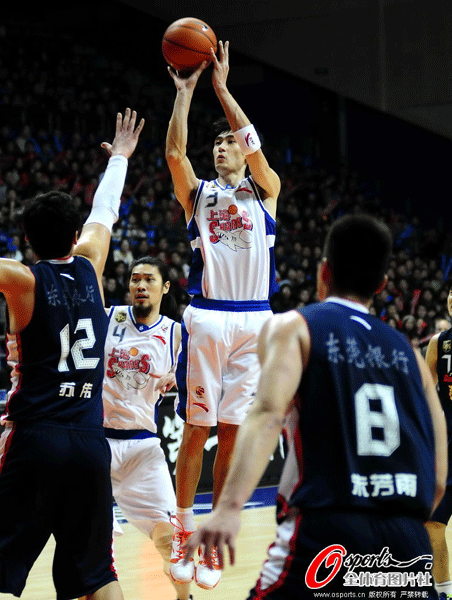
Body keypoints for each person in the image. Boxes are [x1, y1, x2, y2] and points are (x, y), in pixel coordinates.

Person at [185, 213, 447, 598]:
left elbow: (267, 413)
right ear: (381, 284)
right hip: (406, 542)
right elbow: (438, 478)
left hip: (328, 530)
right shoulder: (411, 355)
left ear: (323, 273)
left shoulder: (294, 327)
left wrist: (228, 508)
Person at [0, 108, 144, 600]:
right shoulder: (91, 266)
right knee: (99, 574)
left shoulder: (21, 280)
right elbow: (104, 211)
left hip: (36, 439)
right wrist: (120, 158)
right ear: (74, 234)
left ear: (26, 241)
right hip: (88, 442)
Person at [165, 40, 281, 590]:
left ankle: (211, 540)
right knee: (197, 427)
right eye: (216, 145)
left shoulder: (268, 194)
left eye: (228, 144)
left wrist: (222, 88)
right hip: (209, 317)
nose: (220, 149)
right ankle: (183, 531)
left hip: (256, 321)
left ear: (244, 152)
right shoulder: (200, 197)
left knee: (231, 433)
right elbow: (173, 156)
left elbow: (254, 142)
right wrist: (185, 95)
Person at [102, 256, 192, 600]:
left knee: (170, 539)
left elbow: (203, 373)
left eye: (149, 280)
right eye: (135, 279)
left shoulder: (175, 333)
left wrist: (179, 378)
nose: (140, 285)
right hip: (97, 442)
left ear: (164, 287)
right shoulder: (110, 317)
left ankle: (185, 598)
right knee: (96, 543)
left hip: (142, 448)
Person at [425, 283, 452, 599]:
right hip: (447, 450)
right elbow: (424, 390)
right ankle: (443, 593)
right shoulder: (439, 343)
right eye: (449, 295)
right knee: (433, 526)